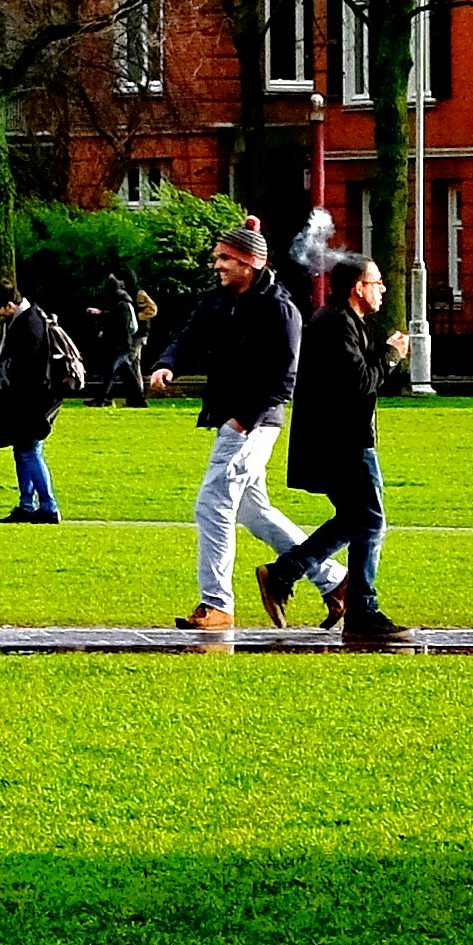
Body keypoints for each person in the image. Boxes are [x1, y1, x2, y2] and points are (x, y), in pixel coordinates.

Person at [165, 225, 313, 645]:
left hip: (252, 423)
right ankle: (332, 577)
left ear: (251, 263)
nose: (217, 265)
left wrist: (243, 420)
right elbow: (188, 339)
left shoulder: (281, 310)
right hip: (234, 419)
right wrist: (168, 364)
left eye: (225, 258)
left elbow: (285, 378)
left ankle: (217, 604)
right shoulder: (219, 301)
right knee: (252, 511)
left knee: (212, 504)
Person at [271, 258, 412, 648]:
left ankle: (286, 572)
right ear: (357, 287)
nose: (382, 289)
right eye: (377, 282)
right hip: (344, 443)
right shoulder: (334, 325)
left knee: (356, 518)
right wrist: (391, 355)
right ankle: (362, 611)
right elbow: (360, 382)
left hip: (340, 440)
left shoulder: (343, 322)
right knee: (370, 521)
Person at [0, 280, 78, 522]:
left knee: (29, 450)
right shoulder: (29, 318)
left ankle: (48, 506)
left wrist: (5, 393)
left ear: (9, 306)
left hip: (33, 400)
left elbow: (26, 370)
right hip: (33, 398)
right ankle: (27, 505)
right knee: (24, 450)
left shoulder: (28, 324)